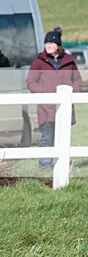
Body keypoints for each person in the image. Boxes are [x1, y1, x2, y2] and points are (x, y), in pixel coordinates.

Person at [26, 26, 82, 168]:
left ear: (58, 45)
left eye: (51, 43)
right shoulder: (39, 61)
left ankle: (62, 166)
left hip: (65, 107)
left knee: (63, 138)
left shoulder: (69, 61)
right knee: (46, 138)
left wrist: (72, 93)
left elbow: (77, 80)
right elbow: (31, 81)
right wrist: (43, 93)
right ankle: (45, 167)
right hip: (46, 107)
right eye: (47, 43)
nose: (48, 46)